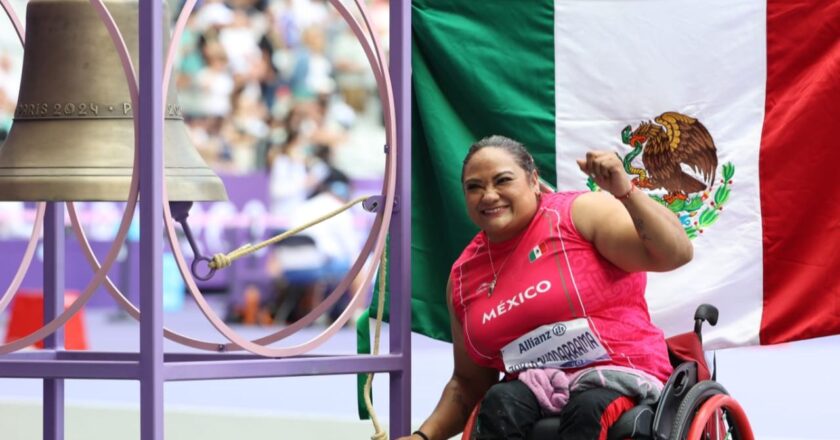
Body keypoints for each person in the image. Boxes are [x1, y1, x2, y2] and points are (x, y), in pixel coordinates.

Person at [397, 135, 693, 440]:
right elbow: (469, 383)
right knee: (499, 402)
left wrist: (625, 192)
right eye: (474, 187)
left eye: (503, 181)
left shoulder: (578, 214)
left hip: (619, 375)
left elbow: (677, 253)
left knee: (588, 407)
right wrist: (423, 437)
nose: (488, 196)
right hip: (535, 388)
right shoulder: (463, 277)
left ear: (534, 180)